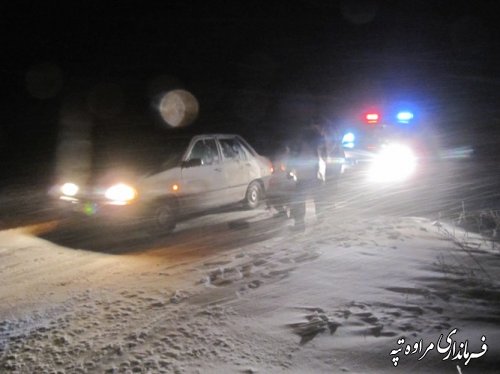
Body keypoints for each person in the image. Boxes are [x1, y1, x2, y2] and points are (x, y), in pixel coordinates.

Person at [288, 118, 328, 231]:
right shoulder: (319, 136)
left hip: (303, 172)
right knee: (318, 196)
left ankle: (299, 224)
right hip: (317, 172)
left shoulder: (299, 138)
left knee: (299, 198)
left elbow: (293, 155)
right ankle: (321, 218)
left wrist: (289, 170)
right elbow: (325, 154)